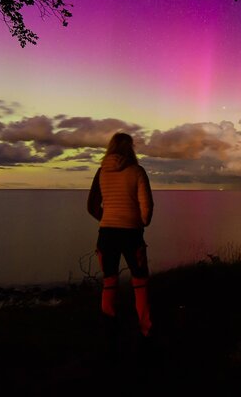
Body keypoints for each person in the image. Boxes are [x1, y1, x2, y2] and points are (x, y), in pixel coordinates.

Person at [87, 132, 154, 341]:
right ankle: (145, 329)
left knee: (109, 282)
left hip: (106, 235)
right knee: (140, 281)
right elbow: (147, 206)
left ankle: (109, 330)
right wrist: (141, 221)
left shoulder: (101, 173)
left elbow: (91, 206)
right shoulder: (137, 171)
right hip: (131, 234)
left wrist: (107, 218)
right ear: (130, 148)